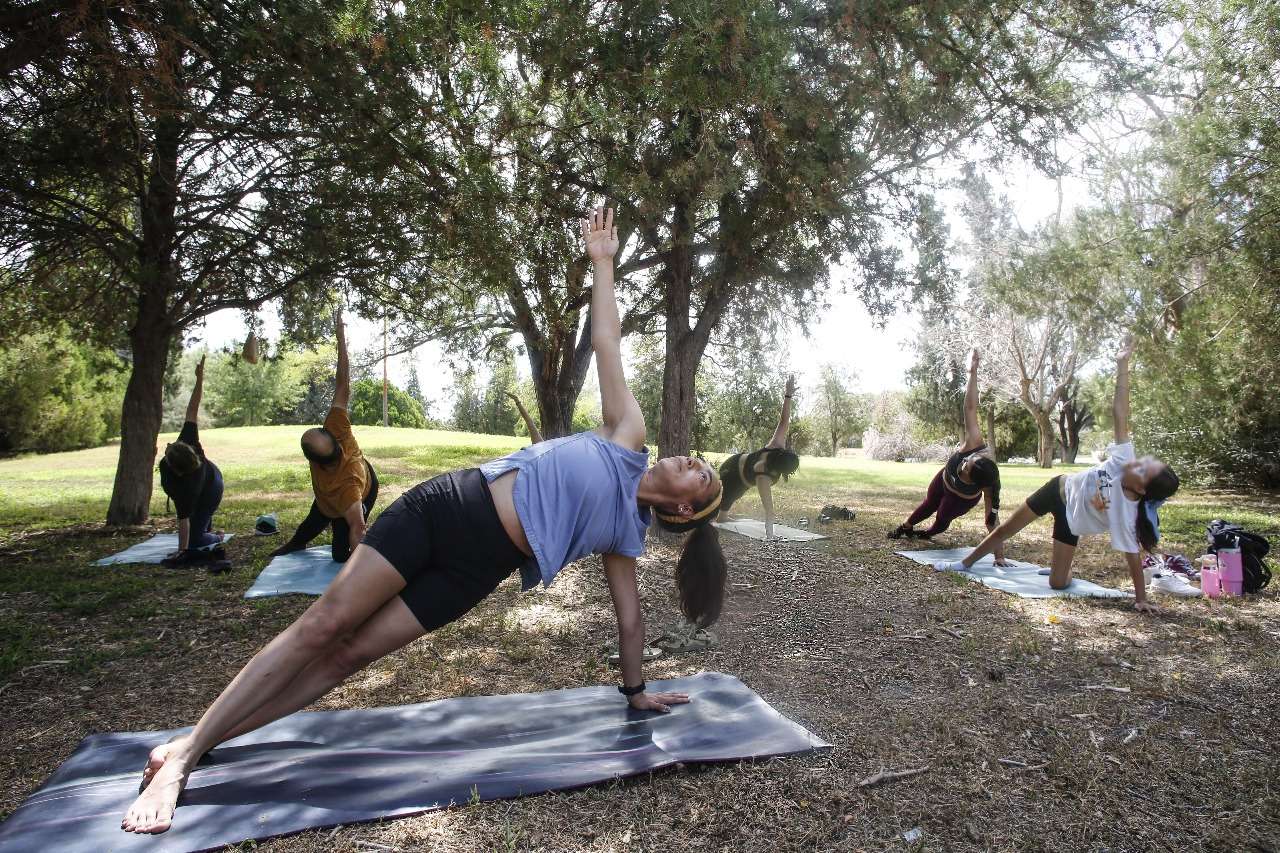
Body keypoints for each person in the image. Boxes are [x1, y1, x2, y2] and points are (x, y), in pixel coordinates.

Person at [122, 206, 727, 835]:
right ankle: (183, 759)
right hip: (446, 509)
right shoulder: (627, 437)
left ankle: (196, 743)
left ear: (683, 508)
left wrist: (635, 692)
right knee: (324, 625)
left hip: (476, 570)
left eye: (701, 476)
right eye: (701, 462)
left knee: (349, 657)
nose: (693, 461)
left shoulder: (626, 536)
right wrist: (602, 262)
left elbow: (630, 619)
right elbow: (607, 342)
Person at [931, 337, 1179, 615]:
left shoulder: (1127, 513)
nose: (1139, 463)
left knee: (1058, 583)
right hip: (1057, 489)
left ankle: (1063, 571)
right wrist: (1123, 364)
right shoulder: (1124, 459)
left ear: (1143, 489)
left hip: (1070, 523)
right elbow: (1120, 413)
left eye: (1144, 470)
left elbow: (1132, 555)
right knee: (1006, 529)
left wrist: (1140, 598)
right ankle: (964, 563)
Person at [268, 307, 379, 564]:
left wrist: (357, 572)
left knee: (340, 556)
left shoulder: (349, 488)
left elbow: (358, 527)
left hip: (362, 489)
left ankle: (380, 546)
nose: (322, 428)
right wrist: (340, 339)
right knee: (313, 521)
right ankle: (297, 542)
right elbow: (342, 384)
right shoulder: (336, 429)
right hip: (327, 497)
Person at [889, 349, 1004, 561]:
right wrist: (972, 372)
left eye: (967, 467)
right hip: (943, 480)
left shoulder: (989, 486)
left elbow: (992, 521)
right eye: (969, 460)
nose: (965, 462)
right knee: (929, 503)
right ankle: (906, 526)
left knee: (942, 517)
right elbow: (970, 408)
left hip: (960, 500)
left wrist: (999, 557)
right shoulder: (975, 444)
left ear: (974, 482)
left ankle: (928, 533)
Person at [157, 355, 225, 565]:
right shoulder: (188, 441)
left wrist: (182, 552)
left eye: (169, 449)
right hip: (206, 478)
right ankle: (205, 524)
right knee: (197, 523)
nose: (168, 444)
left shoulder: (183, 488)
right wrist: (199, 379)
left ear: (175, 468)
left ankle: (217, 536)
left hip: (212, 487)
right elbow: (192, 408)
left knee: (195, 541)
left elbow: (183, 521)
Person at [715, 376, 800, 540]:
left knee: (734, 496)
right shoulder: (764, 476)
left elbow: (784, 421)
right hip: (731, 470)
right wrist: (770, 535)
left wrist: (788, 395)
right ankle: (715, 514)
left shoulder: (776, 446)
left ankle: (722, 515)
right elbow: (769, 509)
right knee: (728, 495)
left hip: (741, 471)